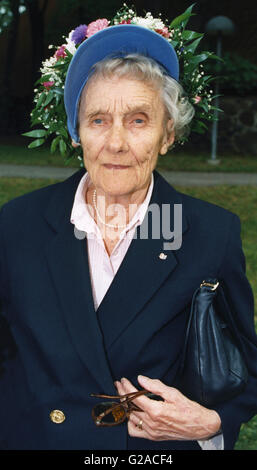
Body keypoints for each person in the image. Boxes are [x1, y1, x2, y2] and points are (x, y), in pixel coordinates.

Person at [0, 20, 257, 452]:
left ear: (167, 135)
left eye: (138, 120)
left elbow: (248, 367)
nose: (116, 142)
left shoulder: (208, 234)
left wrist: (211, 422)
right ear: (76, 131)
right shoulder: (17, 225)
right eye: (98, 120)